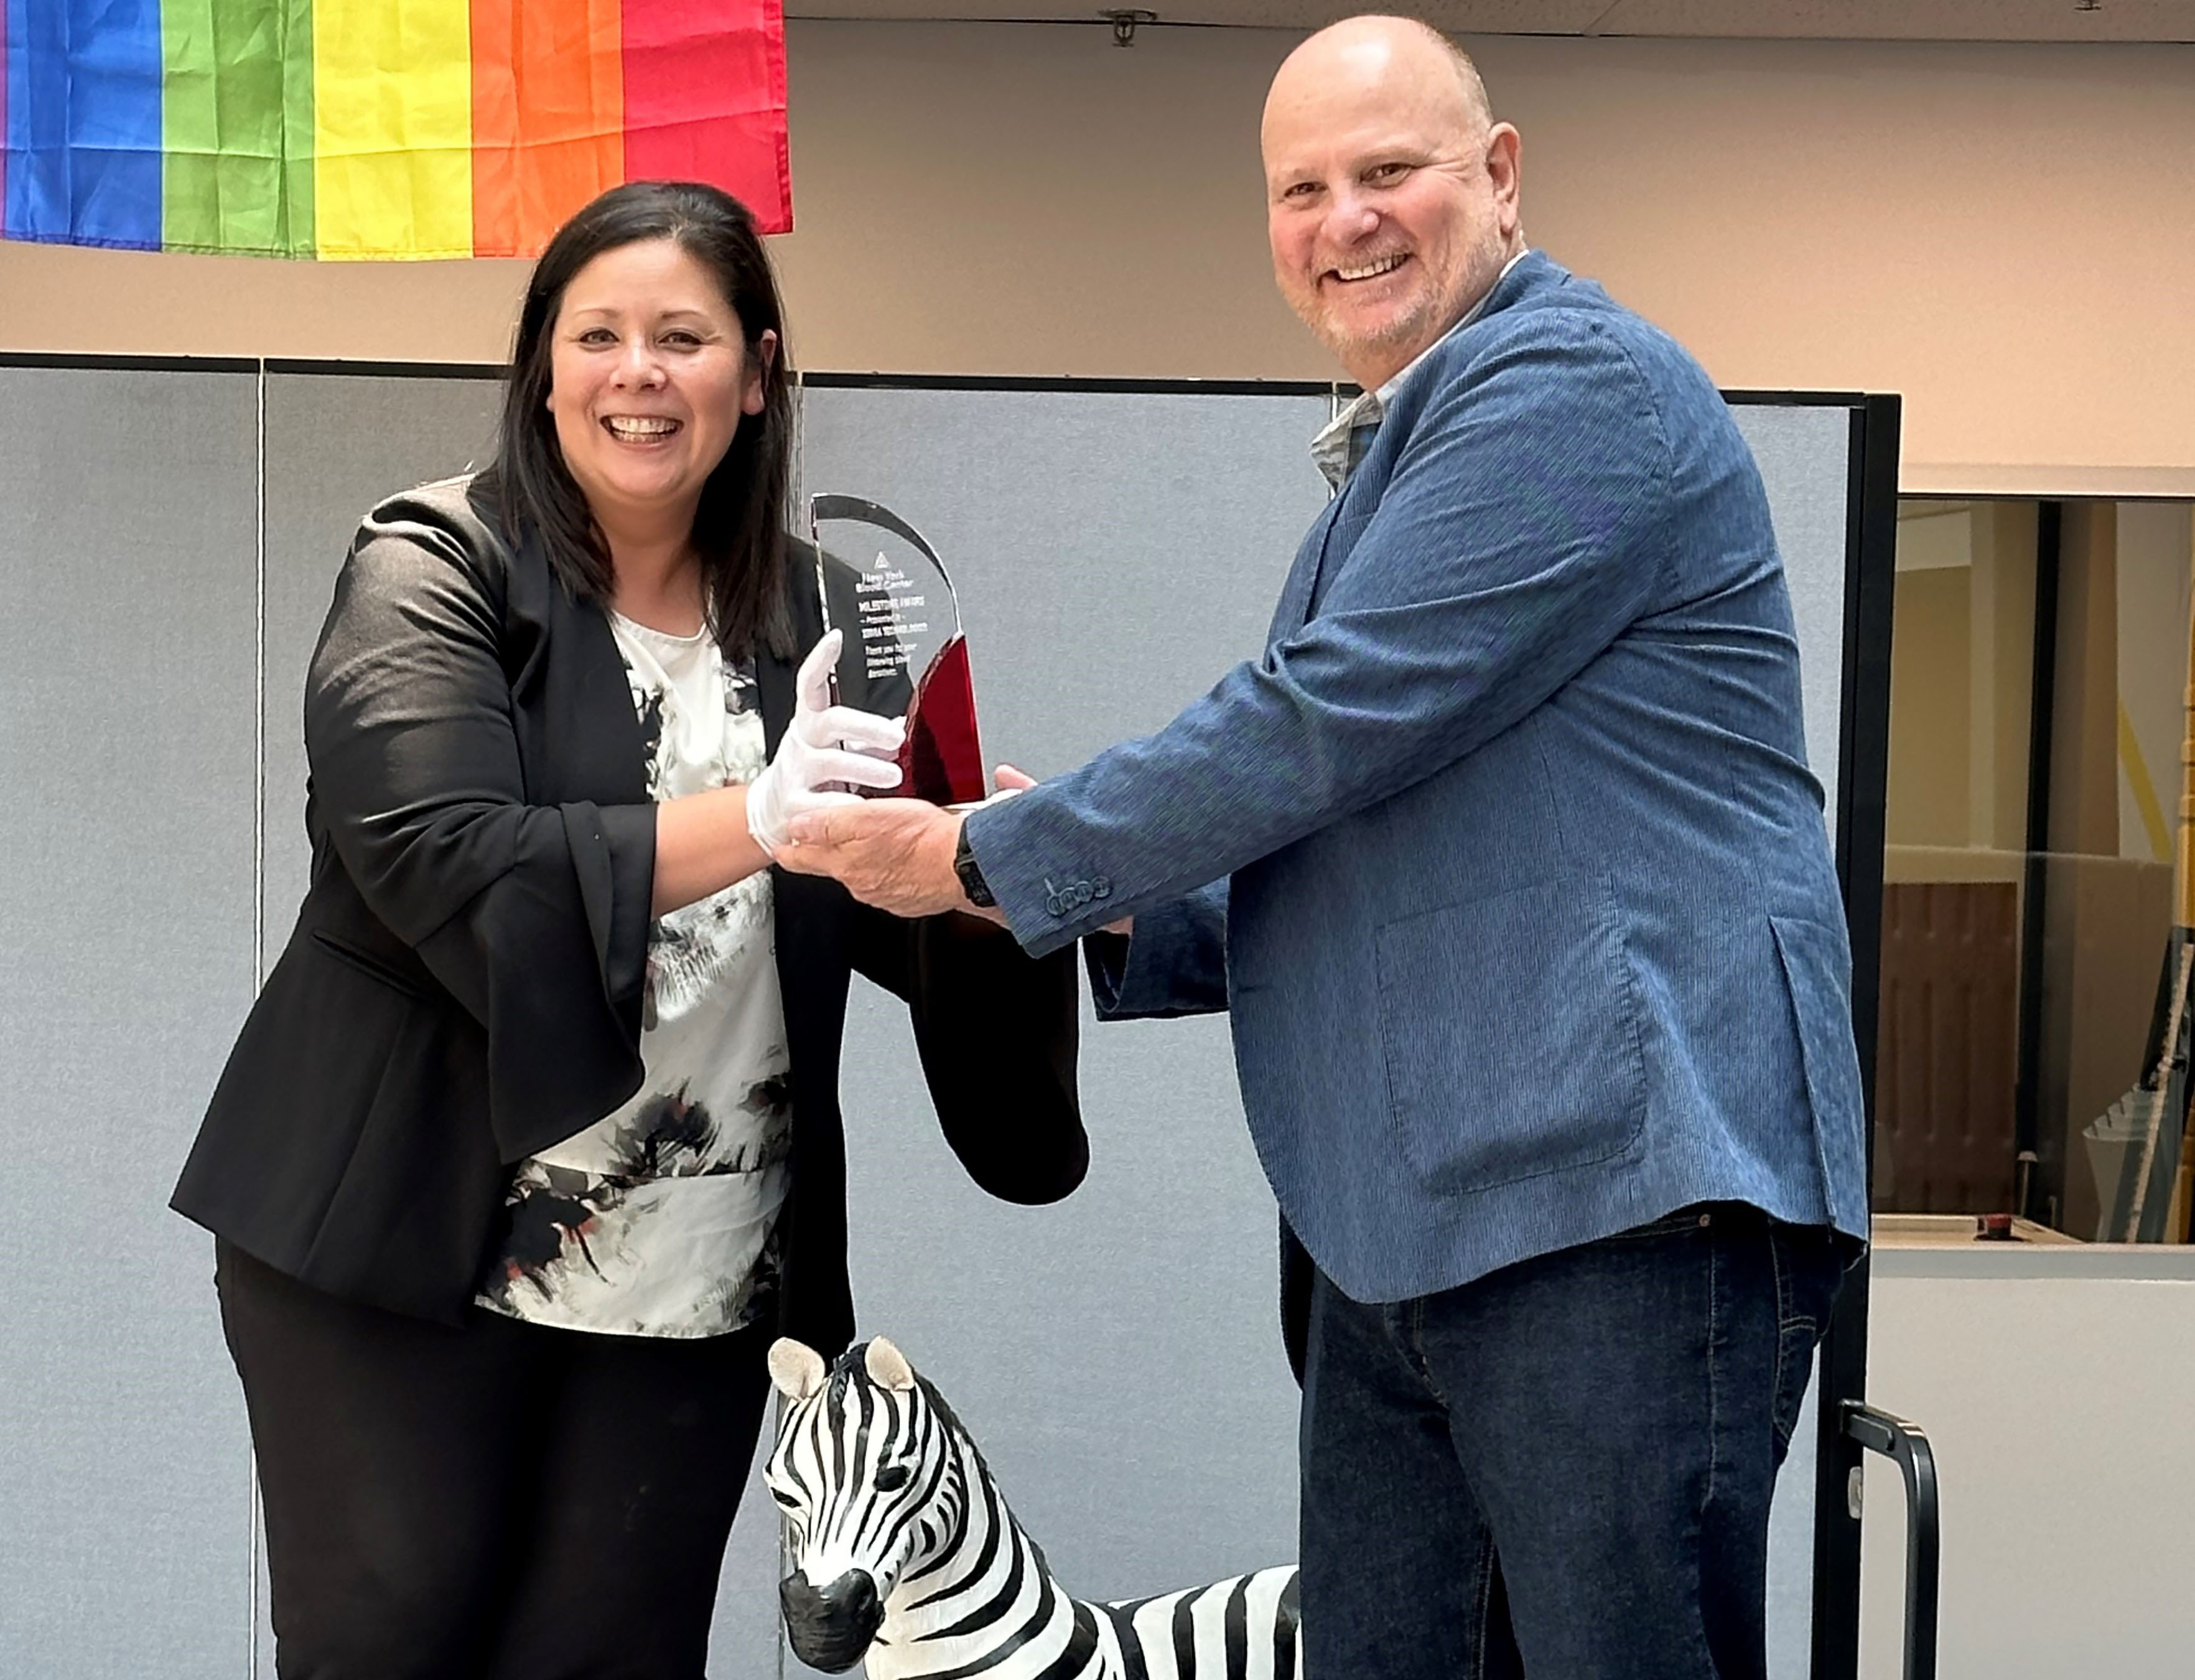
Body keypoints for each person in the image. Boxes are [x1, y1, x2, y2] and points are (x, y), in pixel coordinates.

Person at [774, 17, 1866, 1679]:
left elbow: (1322, 722)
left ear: (1499, 178)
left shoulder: (1577, 390)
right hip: (1407, 1239)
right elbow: (1372, 820)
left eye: (1389, 171)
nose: (1343, 219)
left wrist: (1001, 850)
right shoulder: (1390, 478)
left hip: (1613, 1211)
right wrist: (1113, 916)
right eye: (1301, 188)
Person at [170, 180, 1086, 1680]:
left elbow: (886, 893)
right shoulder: (429, 565)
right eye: (596, 334)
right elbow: (438, 853)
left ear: (760, 367)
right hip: (408, 1239)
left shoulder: (832, 615)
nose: (638, 372)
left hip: (701, 1264)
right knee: (391, 1649)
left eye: (683, 335)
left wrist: (993, 870)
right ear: (544, 368)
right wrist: (763, 821)